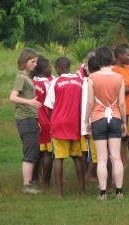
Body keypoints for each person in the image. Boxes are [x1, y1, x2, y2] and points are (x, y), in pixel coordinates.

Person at [85, 46, 126, 200]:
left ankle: (103, 192)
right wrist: (123, 121)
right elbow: (122, 104)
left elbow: (90, 103)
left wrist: (86, 120)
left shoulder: (92, 78)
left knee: (101, 158)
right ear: (111, 59)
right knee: (116, 157)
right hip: (115, 117)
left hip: (98, 118)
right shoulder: (119, 78)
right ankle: (119, 191)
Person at [44, 57, 85, 197]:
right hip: (76, 125)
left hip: (59, 125)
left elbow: (50, 106)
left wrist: (52, 123)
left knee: (58, 158)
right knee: (77, 158)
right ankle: (82, 191)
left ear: (60, 68)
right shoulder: (81, 81)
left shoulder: (55, 82)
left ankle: (59, 193)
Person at [9, 48, 42, 194]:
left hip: (30, 118)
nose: (35, 65)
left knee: (32, 148)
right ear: (24, 61)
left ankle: (29, 182)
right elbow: (12, 97)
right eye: (32, 62)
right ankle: (27, 185)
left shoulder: (26, 77)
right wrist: (29, 102)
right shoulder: (21, 77)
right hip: (25, 118)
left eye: (35, 62)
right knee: (30, 150)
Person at [112, 44, 129, 169]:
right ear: (119, 56)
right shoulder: (115, 70)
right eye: (127, 55)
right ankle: (124, 164)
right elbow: (118, 90)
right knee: (123, 139)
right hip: (124, 110)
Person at [32, 56, 53, 188]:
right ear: (44, 69)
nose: (51, 68)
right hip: (48, 120)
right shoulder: (49, 83)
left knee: (37, 152)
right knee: (48, 153)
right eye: (49, 66)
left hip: (36, 120)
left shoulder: (31, 81)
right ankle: (46, 182)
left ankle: (34, 178)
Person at [81, 56, 100, 182]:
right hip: (91, 121)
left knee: (96, 152)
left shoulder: (89, 81)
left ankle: (90, 173)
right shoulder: (88, 82)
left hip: (94, 119)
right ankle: (88, 173)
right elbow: (86, 104)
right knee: (95, 153)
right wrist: (85, 124)